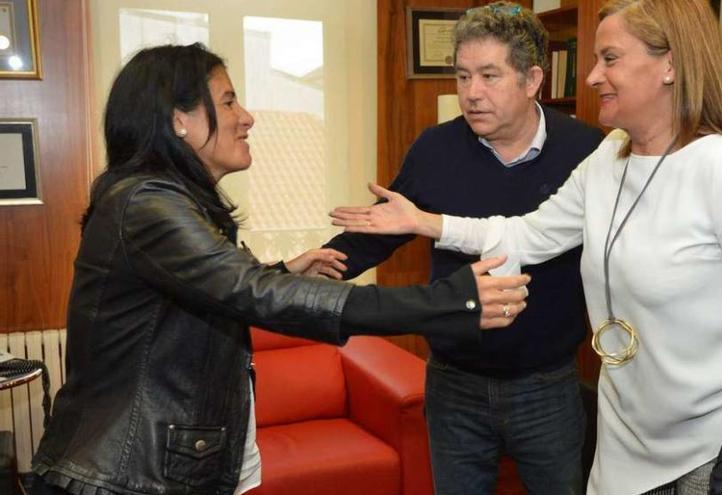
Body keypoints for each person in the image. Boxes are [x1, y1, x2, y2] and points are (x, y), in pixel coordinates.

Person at [330, 0, 722, 494]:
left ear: (670, 65)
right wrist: (425, 221)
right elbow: (526, 235)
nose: (592, 77)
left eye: (609, 58)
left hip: (720, 452)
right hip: (625, 446)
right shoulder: (609, 157)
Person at [28, 43, 530, 495]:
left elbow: (211, 287)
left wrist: (284, 270)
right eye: (227, 102)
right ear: (179, 119)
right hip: (125, 474)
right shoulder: (149, 204)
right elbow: (250, 292)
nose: (246, 116)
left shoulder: (166, 198)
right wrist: (449, 301)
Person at [323, 2, 603, 493]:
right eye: (463, 76)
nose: (471, 94)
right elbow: (380, 230)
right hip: (454, 384)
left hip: (548, 386)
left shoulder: (587, 151)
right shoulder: (435, 149)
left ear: (533, 79)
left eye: (489, 76)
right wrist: (300, 274)